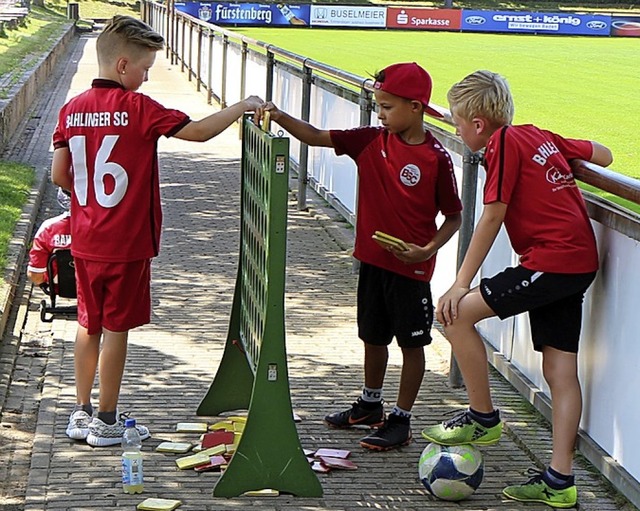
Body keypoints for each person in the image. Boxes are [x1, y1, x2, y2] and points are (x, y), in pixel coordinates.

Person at [51, 15, 263, 447]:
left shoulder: (70, 109)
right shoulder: (140, 109)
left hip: (86, 238)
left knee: (88, 324)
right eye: (146, 69)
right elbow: (201, 132)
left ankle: (81, 412)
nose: (148, 78)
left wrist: (89, 203)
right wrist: (242, 107)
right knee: (116, 330)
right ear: (124, 65)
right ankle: (108, 421)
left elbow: (59, 175)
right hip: (126, 242)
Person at [420, 70, 613, 508]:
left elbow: (491, 215)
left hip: (553, 260)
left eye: (456, 121)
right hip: (577, 262)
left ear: (479, 125)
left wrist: (460, 283)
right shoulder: (538, 135)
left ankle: (482, 417)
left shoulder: (502, 144)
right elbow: (605, 155)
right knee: (559, 373)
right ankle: (559, 482)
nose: (455, 128)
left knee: (454, 313)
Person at [260, 62, 462, 451]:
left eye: (387, 107)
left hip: (412, 269)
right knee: (372, 336)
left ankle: (401, 420)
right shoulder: (369, 139)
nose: (380, 114)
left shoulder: (436, 158)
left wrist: (427, 249)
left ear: (416, 107)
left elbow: (453, 217)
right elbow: (317, 136)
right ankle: (370, 405)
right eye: (378, 105)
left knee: (412, 344)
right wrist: (280, 115)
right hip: (372, 261)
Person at [27, 187, 72, 286]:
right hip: (96, 288)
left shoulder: (48, 228)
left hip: (60, 287)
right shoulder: (107, 227)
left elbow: (35, 274)